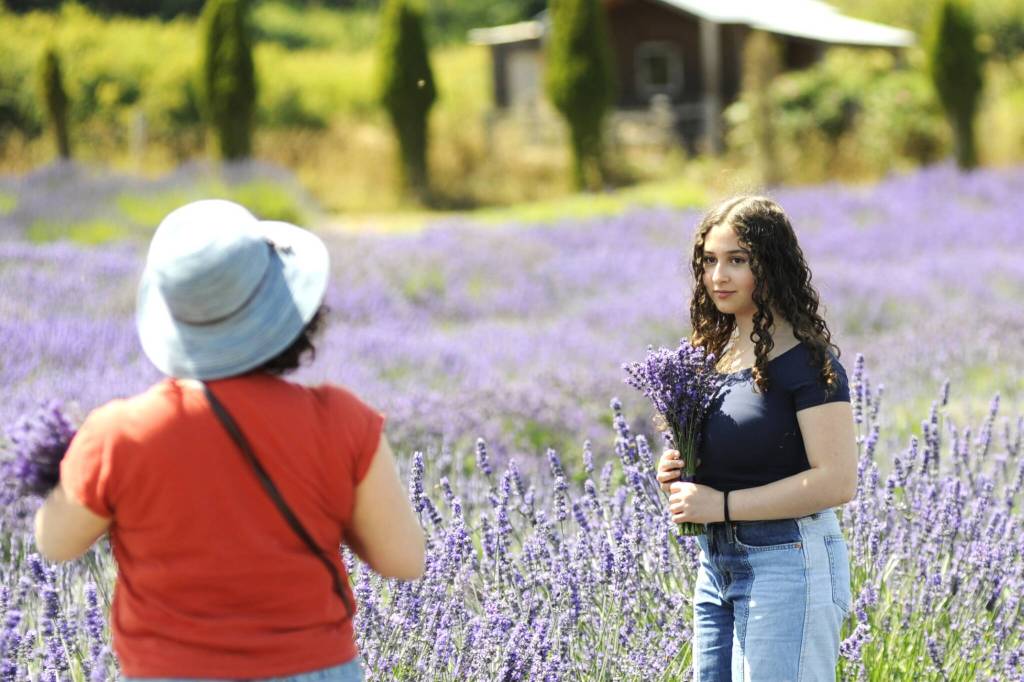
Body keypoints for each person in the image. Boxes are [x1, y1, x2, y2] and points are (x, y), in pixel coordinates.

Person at [33, 199, 425, 681]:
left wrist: (58, 463)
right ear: (291, 314)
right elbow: (404, 560)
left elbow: (54, 544)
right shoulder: (342, 421)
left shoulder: (118, 435)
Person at [656, 196, 857, 681]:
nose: (717, 276)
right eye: (709, 261)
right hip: (716, 564)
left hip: (788, 563)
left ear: (770, 265)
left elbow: (837, 483)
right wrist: (679, 471)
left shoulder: (809, 364)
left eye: (736, 261)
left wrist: (720, 505)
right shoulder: (710, 357)